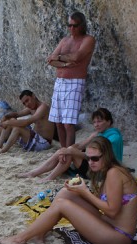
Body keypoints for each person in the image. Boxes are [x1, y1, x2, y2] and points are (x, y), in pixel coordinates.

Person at [0, 136, 137, 244]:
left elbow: (112, 211)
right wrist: (78, 191)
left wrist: (84, 192)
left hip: (119, 237)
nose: (91, 162)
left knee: (62, 204)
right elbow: (103, 205)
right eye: (88, 158)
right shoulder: (108, 171)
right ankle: (39, 234)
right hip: (108, 224)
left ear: (106, 156)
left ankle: (19, 239)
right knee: (66, 193)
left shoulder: (114, 173)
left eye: (95, 158)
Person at [20, 108, 123, 181]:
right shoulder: (98, 134)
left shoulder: (114, 137)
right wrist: (67, 150)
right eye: (94, 122)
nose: (96, 125)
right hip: (95, 164)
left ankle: (48, 177)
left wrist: (70, 151)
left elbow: (98, 158)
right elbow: (80, 145)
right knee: (64, 151)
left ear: (109, 122)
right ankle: (34, 173)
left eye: (99, 121)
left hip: (103, 171)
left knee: (69, 153)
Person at [46, 11, 95, 148]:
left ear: (82, 25)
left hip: (75, 82)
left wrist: (60, 57)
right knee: (58, 122)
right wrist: (66, 63)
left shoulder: (88, 40)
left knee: (68, 123)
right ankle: (63, 152)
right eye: (69, 25)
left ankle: (69, 154)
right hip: (60, 82)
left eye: (75, 26)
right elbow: (51, 60)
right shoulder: (65, 40)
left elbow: (77, 57)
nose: (71, 29)